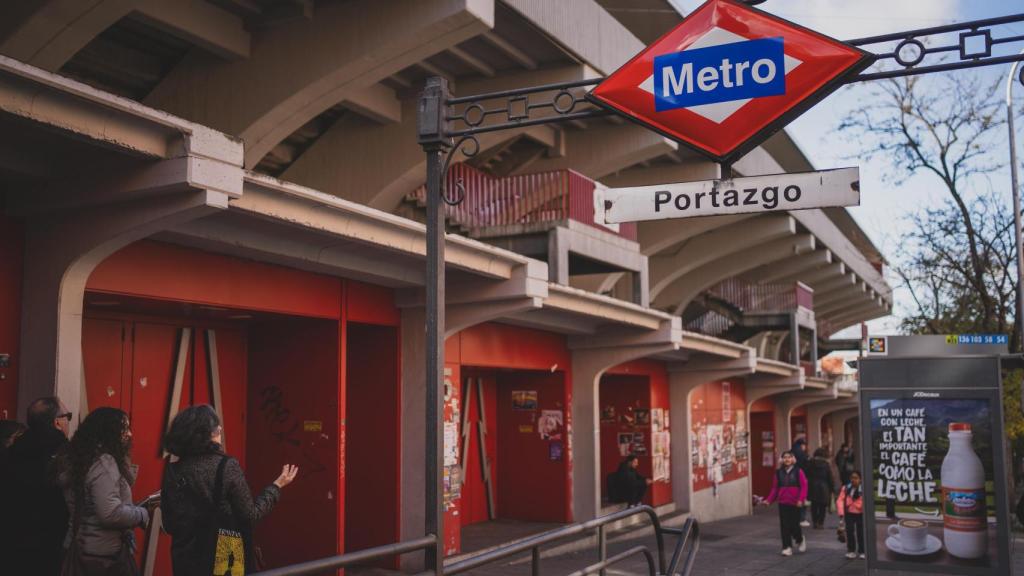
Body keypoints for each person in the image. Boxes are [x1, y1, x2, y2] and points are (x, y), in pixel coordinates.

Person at [161, 405, 298, 575]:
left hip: (186, 558)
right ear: (208, 434)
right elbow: (250, 517)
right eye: (217, 428)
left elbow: (169, 524)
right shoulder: (226, 466)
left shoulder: (173, 470)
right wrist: (276, 487)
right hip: (226, 554)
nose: (220, 430)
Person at [58, 406, 150, 575]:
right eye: (124, 428)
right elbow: (109, 513)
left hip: (77, 546)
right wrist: (142, 514)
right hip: (102, 557)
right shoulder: (103, 463)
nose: (129, 434)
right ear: (108, 432)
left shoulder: (77, 459)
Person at [1, 397, 71, 575]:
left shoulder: (13, 449)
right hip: (51, 541)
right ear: (57, 422)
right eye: (68, 417)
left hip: (13, 539)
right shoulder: (65, 453)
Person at [764, 450, 808, 556]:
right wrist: (769, 500)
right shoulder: (778, 473)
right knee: (784, 526)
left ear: (793, 459)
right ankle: (786, 547)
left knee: (794, 525)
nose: (787, 459)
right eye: (785, 457)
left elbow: (804, 486)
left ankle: (800, 539)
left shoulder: (798, 471)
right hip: (783, 502)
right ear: (781, 460)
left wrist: (801, 499)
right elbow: (775, 488)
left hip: (795, 502)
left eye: (789, 457)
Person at [837, 470, 865, 559]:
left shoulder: (863, 489)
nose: (853, 480)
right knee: (849, 531)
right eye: (852, 478)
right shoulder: (846, 488)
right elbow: (840, 500)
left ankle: (862, 551)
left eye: (856, 478)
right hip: (849, 512)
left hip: (860, 513)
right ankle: (851, 550)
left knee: (861, 532)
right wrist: (841, 513)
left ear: (860, 479)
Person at [807, 447, 836, 529]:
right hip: (824, 487)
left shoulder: (810, 463)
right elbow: (830, 477)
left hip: (813, 486)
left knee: (814, 506)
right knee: (822, 506)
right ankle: (821, 523)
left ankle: (815, 522)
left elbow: (807, 474)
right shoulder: (826, 465)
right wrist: (832, 488)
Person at [791, 438, 811, 527]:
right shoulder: (802, 454)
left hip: (791, 479)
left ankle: (793, 518)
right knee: (802, 497)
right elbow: (806, 466)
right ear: (802, 445)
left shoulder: (790, 453)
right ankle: (802, 518)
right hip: (801, 478)